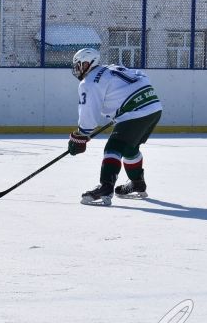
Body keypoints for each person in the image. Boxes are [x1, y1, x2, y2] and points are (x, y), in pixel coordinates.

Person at [67, 48, 163, 206]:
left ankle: (106, 187)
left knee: (114, 146)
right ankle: (137, 183)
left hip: (135, 112)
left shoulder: (89, 81)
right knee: (130, 148)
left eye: (78, 65)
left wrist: (81, 135)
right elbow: (141, 76)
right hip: (154, 107)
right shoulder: (111, 67)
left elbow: (88, 112)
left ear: (87, 63)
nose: (77, 69)